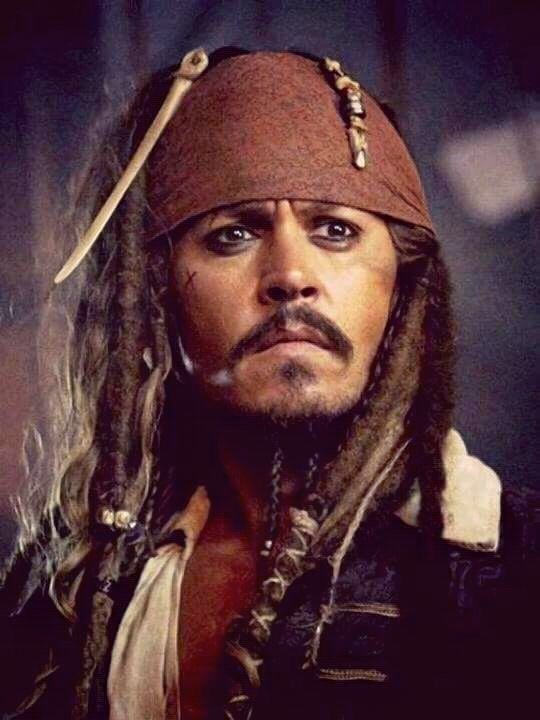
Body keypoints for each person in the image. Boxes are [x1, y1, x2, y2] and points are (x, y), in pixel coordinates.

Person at [0, 47, 538, 720]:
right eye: (232, 235)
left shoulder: (519, 572)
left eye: (336, 231)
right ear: (157, 295)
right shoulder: (67, 590)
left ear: (401, 290)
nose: (290, 275)